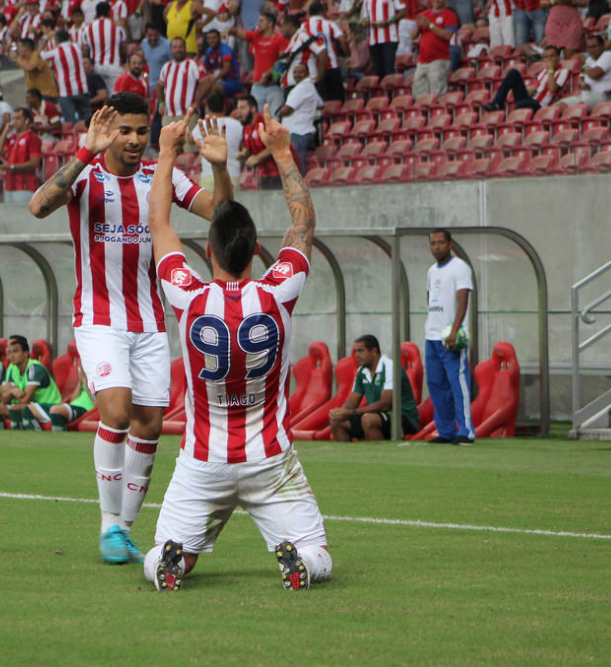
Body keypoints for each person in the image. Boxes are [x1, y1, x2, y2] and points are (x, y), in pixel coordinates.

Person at [27, 92, 232, 565]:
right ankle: (108, 524)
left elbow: (218, 211)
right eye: (125, 130)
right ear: (107, 130)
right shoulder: (86, 176)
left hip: (149, 321)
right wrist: (86, 150)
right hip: (99, 318)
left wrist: (219, 168)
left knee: (150, 424)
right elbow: (38, 206)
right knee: (116, 413)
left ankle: (125, 530)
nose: (136, 139)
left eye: (143, 130)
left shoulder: (160, 176)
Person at [143, 110, 332, 592]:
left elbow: (159, 222)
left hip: (202, 462)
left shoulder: (188, 295)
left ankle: (170, 562)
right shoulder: (279, 290)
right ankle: (301, 562)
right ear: (255, 252)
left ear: (208, 253)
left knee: (163, 552)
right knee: (317, 552)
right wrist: (282, 152)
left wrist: (166, 153)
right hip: (269, 458)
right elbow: (303, 223)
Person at [424, 228, 475, 445]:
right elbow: (430, 300)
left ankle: (466, 431)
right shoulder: (431, 271)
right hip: (431, 336)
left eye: (441, 243)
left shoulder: (460, 267)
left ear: (450, 244)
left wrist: (454, 330)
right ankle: (445, 431)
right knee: (436, 384)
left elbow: (463, 301)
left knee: (458, 384)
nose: (437, 247)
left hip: (451, 338)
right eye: (433, 243)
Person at [329, 334, 420, 441]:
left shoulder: (390, 367)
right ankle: (347, 453)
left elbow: (385, 404)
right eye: (355, 351)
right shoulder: (361, 371)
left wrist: (352, 413)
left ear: (374, 351)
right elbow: (353, 401)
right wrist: (341, 412)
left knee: (369, 419)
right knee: (337, 421)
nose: (357, 355)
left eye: (360, 351)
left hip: (402, 417)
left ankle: (377, 451)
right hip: (376, 415)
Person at [226, 10, 287, 114]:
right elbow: (239, 33)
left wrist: (266, 74)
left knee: (275, 118)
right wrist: (230, 30)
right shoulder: (256, 36)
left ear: (270, 24)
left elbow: (282, 61)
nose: (258, 23)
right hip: (257, 86)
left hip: (274, 86)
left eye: (261, 21)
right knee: (256, 118)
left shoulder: (280, 39)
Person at [0, 335, 62, 431]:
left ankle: (35, 434)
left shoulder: (34, 368)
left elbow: (25, 399)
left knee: (19, 408)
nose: (12, 355)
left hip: (50, 406)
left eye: (16, 351)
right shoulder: (13, 369)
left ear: (26, 353)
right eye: (10, 352)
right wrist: (13, 391)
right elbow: (5, 398)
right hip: (32, 405)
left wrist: (11, 390)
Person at [483, 45, 569, 110]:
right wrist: (530, 91)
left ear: (558, 57)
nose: (549, 59)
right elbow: (538, 89)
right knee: (513, 73)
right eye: (546, 57)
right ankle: (497, 103)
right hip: (531, 99)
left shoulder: (563, 71)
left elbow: (552, 89)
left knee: (520, 105)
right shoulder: (543, 71)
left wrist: (551, 70)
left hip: (541, 105)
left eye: (552, 56)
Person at [191, 92, 244, 190]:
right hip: (233, 175)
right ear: (225, 107)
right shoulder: (237, 124)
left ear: (207, 109)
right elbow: (243, 149)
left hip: (208, 176)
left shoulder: (201, 125)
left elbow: (190, 142)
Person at [279, 62, 322, 174]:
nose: (297, 75)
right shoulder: (309, 87)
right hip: (301, 132)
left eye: (301, 72)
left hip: (298, 133)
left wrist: (279, 113)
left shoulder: (301, 88)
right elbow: (320, 104)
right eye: (295, 72)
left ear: (308, 74)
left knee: (295, 167)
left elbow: (287, 109)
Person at [557, 34, 611, 109]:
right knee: (559, 105)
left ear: (602, 46)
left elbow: (594, 74)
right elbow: (581, 79)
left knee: (578, 107)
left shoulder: (607, 55)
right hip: (587, 95)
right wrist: (583, 84)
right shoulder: (589, 60)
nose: (591, 50)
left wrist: (584, 66)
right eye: (588, 47)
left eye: (594, 46)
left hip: (605, 96)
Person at [0, 106, 43, 203]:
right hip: (9, 186)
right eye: (14, 118)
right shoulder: (13, 138)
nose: (14, 122)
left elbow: (35, 163)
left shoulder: (32, 138)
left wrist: (11, 166)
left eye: (18, 118)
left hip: (25, 187)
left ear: (26, 120)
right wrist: (4, 132)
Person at [42, 28, 90, 122]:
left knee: (70, 122)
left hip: (66, 92)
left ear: (57, 40)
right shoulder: (77, 47)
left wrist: (46, 39)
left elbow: (40, 55)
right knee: (87, 120)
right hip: (82, 89)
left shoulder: (55, 52)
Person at [157, 37, 206, 126]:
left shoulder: (193, 64)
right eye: (175, 47)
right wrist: (161, 104)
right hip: (168, 115)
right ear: (171, 50)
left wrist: (196, 103)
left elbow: (206, 82)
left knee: (187, 136)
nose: (178, 50)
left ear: (185, 48)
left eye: (180, 47)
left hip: (188, 115)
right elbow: (160, 85)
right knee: (167, 136)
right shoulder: (166, 66)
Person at [413, 0, 457, 98]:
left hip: (439, 60)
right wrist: (418, 27)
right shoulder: (423, 14)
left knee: (437, 95)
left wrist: (430, 25)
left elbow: (447, 35)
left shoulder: (450, 15)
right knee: (419, 95)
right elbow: (412, 35)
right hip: (422, 61)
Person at [306, 1, 348, 102]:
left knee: (323, 101)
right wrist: (347, 56)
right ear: (322, 12)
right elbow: (342, 40)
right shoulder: (329, 24)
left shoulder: (304, 27)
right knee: (338, 100)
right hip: (332, 66)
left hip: (315, 69)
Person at [87, 1, 126, 92]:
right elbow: (123, 49)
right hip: (114, 66)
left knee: (99, 94)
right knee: (116, 95)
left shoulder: (88, 28)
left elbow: (85, 50)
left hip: (96, 66)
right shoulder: (117, 28)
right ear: (109, 12)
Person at [281, 13, 328, 90]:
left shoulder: (303, 35)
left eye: (282, 26)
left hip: (304, 85)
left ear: (289, 25)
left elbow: (322, 51)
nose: (281, 29)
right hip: (294, 86)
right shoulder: (293, 40)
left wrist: (320, 76)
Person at [361, 0, 406, 77]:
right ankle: (381, 84)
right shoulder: (366, 1)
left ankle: (391, 84)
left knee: (389, 69)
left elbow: (403, 12)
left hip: (390, 37)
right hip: (373, 39)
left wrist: (388, 21)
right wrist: (366, 22)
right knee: (378, 71)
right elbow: (365, 18)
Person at [48, 359, 95, 431]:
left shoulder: (94, 381)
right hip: (73, 407)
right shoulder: (82, 380)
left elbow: (96, 402)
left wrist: (85, 382)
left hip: (86, 409)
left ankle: (59, 435)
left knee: (55, 410)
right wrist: (80, 382)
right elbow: (73, 400)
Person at [9, 37, 59, 102]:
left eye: (19, 47)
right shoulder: (23, 58)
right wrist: (11, 55)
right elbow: (15, 61)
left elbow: (30, 68)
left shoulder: (37, 55)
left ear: (25, 48)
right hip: (34, 95)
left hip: (46, 94)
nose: (18, 50)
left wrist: (15, 59)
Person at [199, 28, 241, 99]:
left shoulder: (225, 49)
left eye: (214, 38)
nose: (211, 40)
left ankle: (205, 106)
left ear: (219, 38)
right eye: (209, 38)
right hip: (218, 80)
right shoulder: (209, 51)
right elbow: (205, 68)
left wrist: (213, 79)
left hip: (232, 82)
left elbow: (226, 68)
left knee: (214, 87)